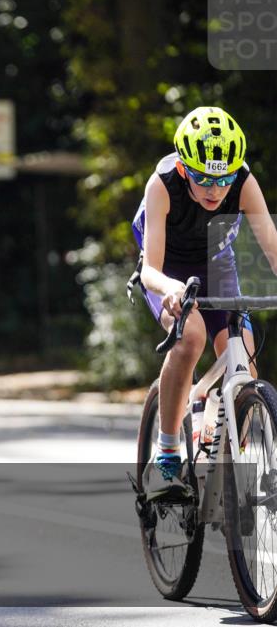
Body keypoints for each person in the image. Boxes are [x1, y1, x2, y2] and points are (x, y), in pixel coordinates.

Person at [132, 106, 277, 500]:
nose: (215, 190)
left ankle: (235, 452)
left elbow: (272, 248)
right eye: (203, 179)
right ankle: (166, 459)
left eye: (223, 180)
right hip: (169, 270)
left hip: (217, 260)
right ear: (184, 169)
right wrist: (172, 290)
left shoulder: (244, 180)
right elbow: (150, 270)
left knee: (242, 354)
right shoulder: (162, 185)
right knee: (191, 336)